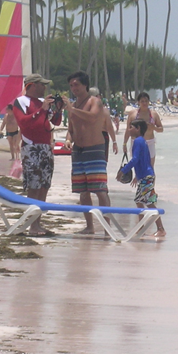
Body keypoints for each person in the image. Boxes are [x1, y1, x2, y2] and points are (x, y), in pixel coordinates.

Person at [13, 74, 64, 235]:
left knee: (44, 186)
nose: (44, 88)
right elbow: (24, 123)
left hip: (45, 147)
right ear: (32, 86)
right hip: (31, 147)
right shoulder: (21, 101)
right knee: (34, 186)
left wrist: (57, 109)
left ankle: (37, 223)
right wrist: (40, 111)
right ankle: (32, 225)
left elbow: (54, 122)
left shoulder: (42, 103)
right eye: (41, 85)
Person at [63, 71, 111, 235]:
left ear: (85, 85)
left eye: (76, 84)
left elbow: (92, 118)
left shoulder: (95, 101)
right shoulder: (73, 106)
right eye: (71, 85)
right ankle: (89, 226)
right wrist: (68, 139)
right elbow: (71, 129)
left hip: (95, 149)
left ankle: (107, 228)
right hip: (78, 151)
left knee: (100, 190)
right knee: (83, 192)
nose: (73, 88)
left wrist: (72, 109)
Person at [117, 119, 165, 237]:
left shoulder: (138, 141)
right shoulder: (141, 141)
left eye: (131, 127)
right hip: (144, 176)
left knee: (149, 203)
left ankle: (161, 229)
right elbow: (144, 160)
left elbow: (135, 159)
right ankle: (141, 228)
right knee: (139, 201)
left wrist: (123, 170)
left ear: (138, 129)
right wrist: (137, 176)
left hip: (146, 177)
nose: (129, 130)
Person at [123, 92, 163, 167]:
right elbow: (128, 130)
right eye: (142, 101)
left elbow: (161, 129)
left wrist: (153, 127)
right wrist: (124, 144)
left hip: (149, 143)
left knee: (150, 169)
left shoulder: (153, 114)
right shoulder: (132, 114)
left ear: (149, 101)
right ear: (138, 102)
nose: (144, 103)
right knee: (138, 169)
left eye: (146, 101)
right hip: (136, 143)